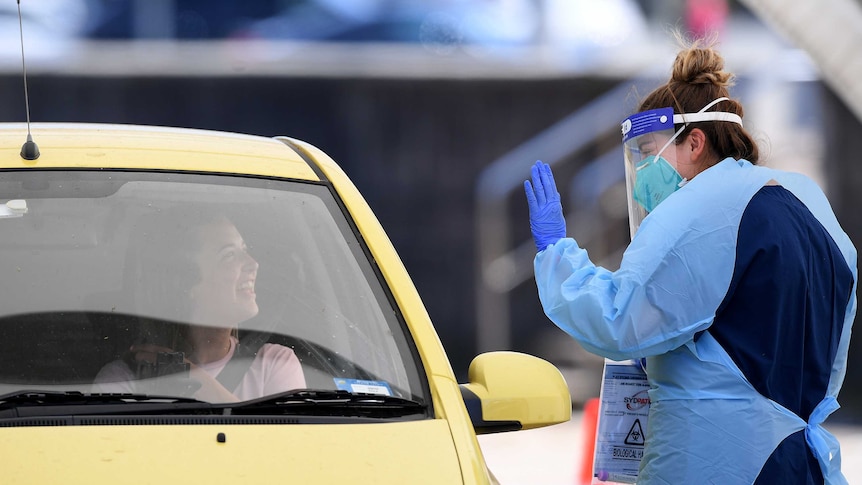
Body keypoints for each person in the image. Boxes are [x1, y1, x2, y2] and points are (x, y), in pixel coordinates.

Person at [524, 37, 857, 484]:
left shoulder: (702, 208)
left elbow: (618, 320)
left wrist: (555, 253)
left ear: (695, 142)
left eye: (647, 153)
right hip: (800, 463)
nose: (642, 175)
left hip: (718, 462)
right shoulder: (810, 202)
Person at [93, 208, 306, 402]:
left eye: (244, 249)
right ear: (186, 284)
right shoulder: (123, 381)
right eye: (229, 255)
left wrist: (193, 378)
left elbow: (283, 445)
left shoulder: (274, 364)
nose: (253, 264)